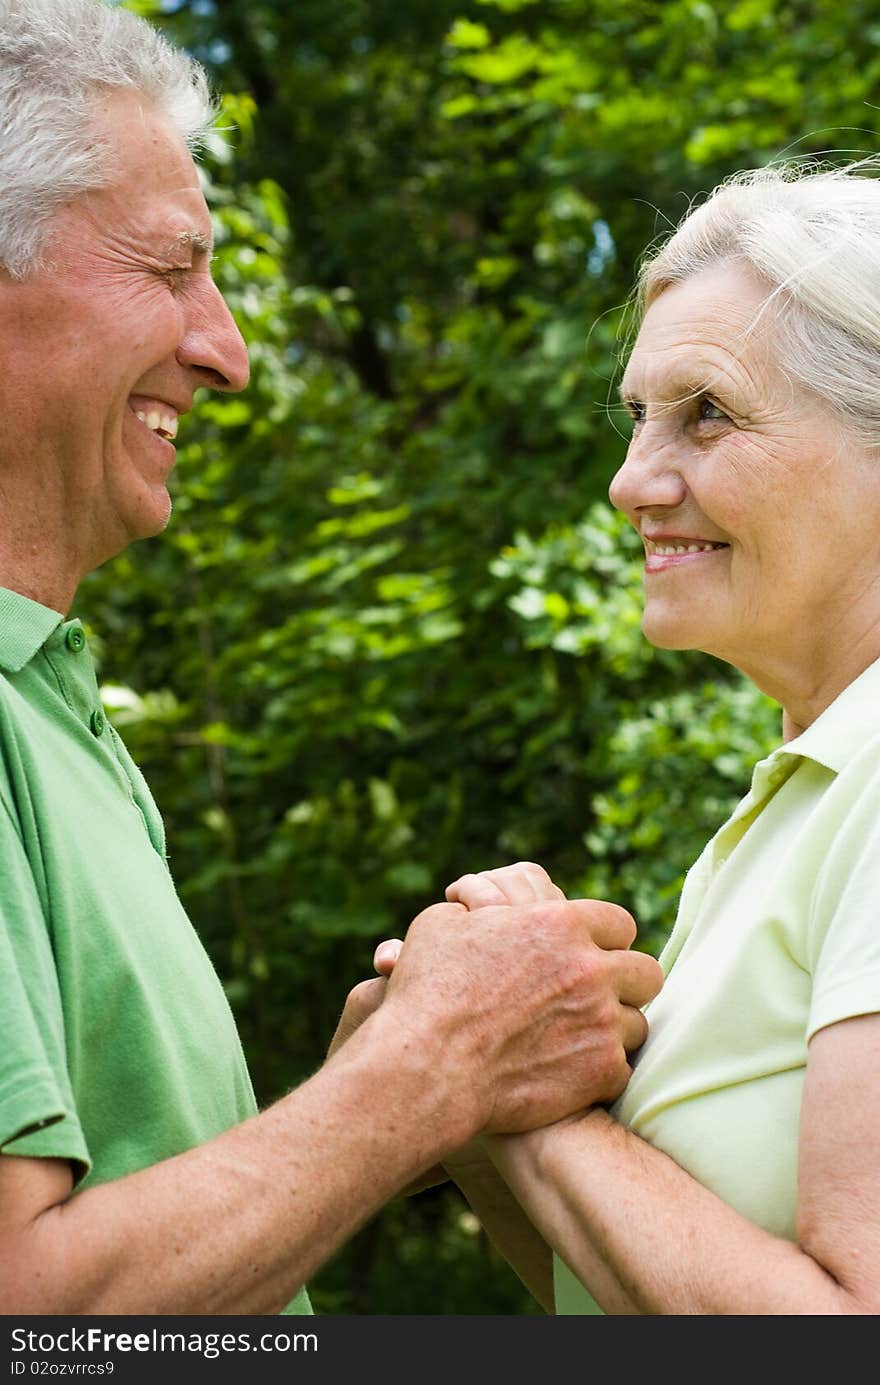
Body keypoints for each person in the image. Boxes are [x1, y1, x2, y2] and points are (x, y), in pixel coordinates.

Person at [0, 0, 664, 1315]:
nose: (227, 352)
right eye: (170, 269)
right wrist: (427, 1069)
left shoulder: (54, 710)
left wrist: (395, 1090)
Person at [365, 159, 880, 1314]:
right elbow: (609, 1300)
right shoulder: (797, 797)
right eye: (638, 418)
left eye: (708, 412)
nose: (629, 482)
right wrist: (466, 1092)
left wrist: (500, 1072)